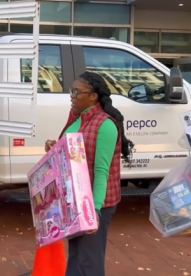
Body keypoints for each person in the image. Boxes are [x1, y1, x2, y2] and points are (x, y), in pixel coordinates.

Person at [45, 71, 134, 276]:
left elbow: (101, 172)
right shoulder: (76, 117)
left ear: (93, 96)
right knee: (76, 258)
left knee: (90, 262)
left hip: (94, 203)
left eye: (77, 92)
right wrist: (55, 147)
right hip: (74, 199)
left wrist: (94, 211)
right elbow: (72, 154)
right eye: (71, 91)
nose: (72, 96)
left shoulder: (106, 125)